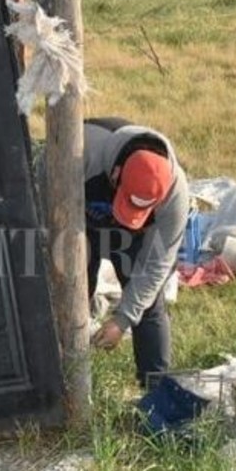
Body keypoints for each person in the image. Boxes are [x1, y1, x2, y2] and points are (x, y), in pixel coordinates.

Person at [83, 117, 190, 388]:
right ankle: (68, 377)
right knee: (72, 289)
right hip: (77, 222)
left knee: (148, 303)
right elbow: (44, 201)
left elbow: (156, 266)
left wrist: (122, 320)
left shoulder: (176, 195)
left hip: (136, 237)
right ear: (116, 173)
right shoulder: (83, 149)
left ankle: (155, 388)